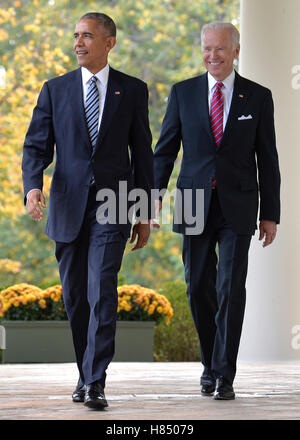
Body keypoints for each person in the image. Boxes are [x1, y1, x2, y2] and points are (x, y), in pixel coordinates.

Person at [22, 12, 153, 409]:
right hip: (66, 205)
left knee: (102, 291)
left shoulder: (132, 90)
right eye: (76, 36)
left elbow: (142, 154)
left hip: (113, 205)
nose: (79, 43)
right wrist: (32, 187)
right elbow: (35, 146)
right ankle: (84, 372)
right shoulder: (55, 89)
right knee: (76, 296)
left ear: (109, 42)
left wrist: (145, 211)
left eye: (87, 36)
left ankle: (96, 381)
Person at [152, 22, 280, 400]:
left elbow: (267, 159)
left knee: (229, 288)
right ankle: (210, 363)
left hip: (239, 203)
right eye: (207, 48)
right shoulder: (183, 93)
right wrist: (152, 198)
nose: (213, 56)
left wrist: (270, 213)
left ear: (236, 51)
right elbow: (165, 151)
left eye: (221, 49)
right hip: (192, 200)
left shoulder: (258, 97)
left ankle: (224, 375)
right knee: (196, 287)